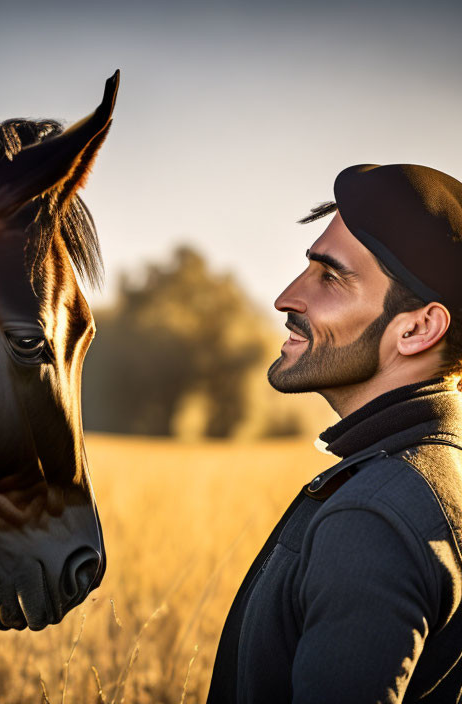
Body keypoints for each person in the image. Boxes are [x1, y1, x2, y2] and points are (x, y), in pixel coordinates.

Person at [207, 163, 462, 704]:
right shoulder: (438, 474)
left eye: (331, 277)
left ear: (417, 328)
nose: (285, 298)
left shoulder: (376, 514)